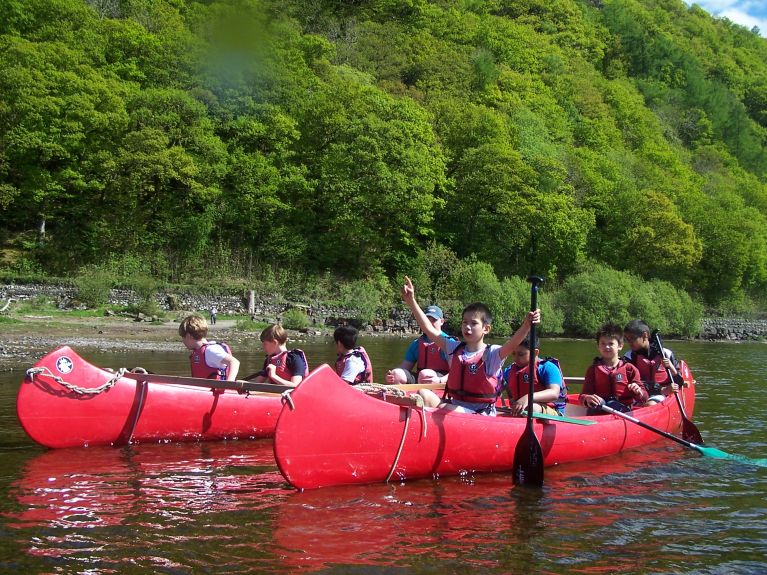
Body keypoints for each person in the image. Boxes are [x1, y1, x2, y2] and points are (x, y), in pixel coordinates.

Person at [400, 276, 539, 416]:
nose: (467, 327)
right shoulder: (453, 347)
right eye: (464, 322)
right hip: (455, 405)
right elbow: (429, 329)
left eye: (473, 323)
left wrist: (527, 325)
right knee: (422, 393)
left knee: (440, 405)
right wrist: (411, 301)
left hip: (480, 414)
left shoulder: (492, 354)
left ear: (486, 329)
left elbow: (512, 343)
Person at [579, 323, 647, 414]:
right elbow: (582, 396)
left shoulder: (629, 369)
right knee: (597, 405)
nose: (606, 347)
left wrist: (638, 391)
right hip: (599, 409)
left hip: (622, 412)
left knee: (612, 404)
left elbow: (644, 397)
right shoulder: (592, 370)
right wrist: (587, 398)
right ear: (598, 346)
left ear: (620, 346)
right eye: (603, 343)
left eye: (611, 343)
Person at [385, 305, 454, 386]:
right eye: (427, 320)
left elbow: (456, 372)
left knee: (425, 374)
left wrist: (440, 380)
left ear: (442, 321)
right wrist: (391, 376)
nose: (430, 323)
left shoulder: (450, 343)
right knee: (396, 373)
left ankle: (428, 396)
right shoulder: (416, 344)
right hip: (421, 379)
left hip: (441, 381)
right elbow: (404, 367)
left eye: (434, 320)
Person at [501, 338, 567, 416]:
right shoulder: (510, 370)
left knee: (531, 408)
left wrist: (528, 397)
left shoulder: (548, 368)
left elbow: (554, 393)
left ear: (535, 352)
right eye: (513, 354)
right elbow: (497, 388)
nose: (515, 358)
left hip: (550, 412)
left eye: (521, 354)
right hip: (519, 410)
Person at [622, 319, 680, 405]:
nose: (629, 342)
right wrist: (660, 389)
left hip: (661, 395)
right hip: (639, 394)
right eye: (627, 339)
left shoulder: (666, 354)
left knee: (651, 404)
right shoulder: (628, 357)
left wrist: (672, 369)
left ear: (645, 335)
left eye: (632, 339)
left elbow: (679, 382)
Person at [178, 315, 239, 381]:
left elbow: (234, 362)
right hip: (203, 389)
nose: (183, 341)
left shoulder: (210, 350)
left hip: (218, 390)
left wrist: (229, 383)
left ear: (189, 336)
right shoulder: (198, 351)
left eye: (183, 337)